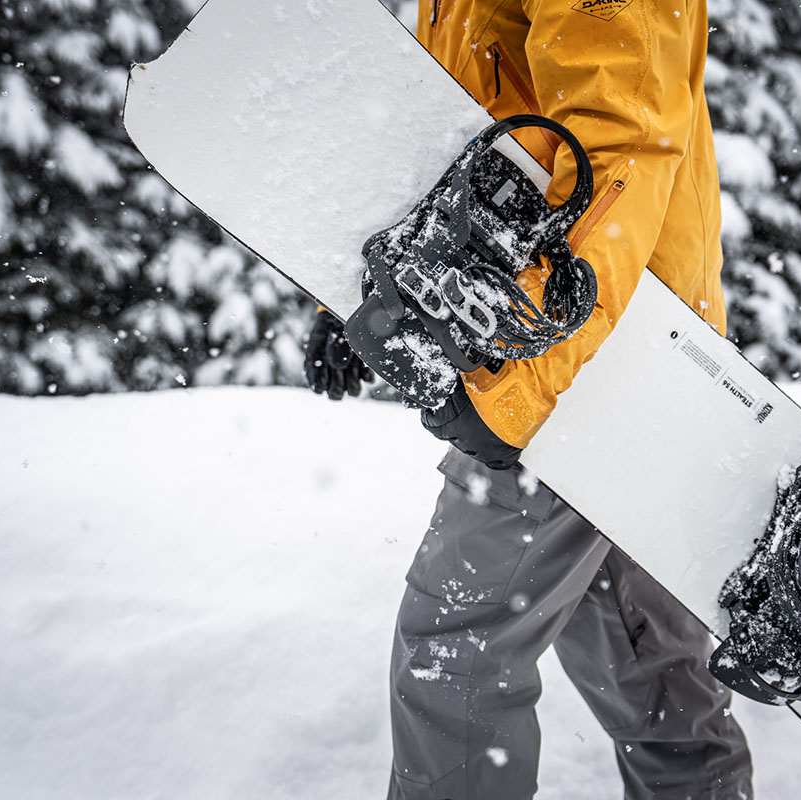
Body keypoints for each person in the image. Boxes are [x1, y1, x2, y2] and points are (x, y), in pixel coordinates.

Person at [304, 0, 753, 797]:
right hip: (593, 346)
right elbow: (461, 136)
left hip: (589, 355)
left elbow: (620, 142)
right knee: (647, 673)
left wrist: (520, 389)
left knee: (455, 652)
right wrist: (355, 294)